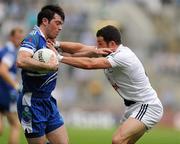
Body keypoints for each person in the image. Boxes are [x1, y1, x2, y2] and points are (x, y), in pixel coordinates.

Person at [16, 5, 112, 144]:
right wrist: (48, 66)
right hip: (31, 103)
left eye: (62, 24)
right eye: (57, 23)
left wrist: (95, 51)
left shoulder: (49, 42)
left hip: (48, 101)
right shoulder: (33, 38)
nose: (60, 27)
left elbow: (75, 50)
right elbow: (21, 60)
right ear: (45, 21)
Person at [56, 25, 164, 144]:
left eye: (100, 43)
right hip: (132, 107)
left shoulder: (122, 55)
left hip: (147, 105)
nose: (97, 47)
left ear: (112, 44)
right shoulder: (108, 52)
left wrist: (59, 58)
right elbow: (80, 49)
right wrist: (56, 44)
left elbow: (89, 64)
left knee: (117, 140)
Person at [0, 27, 24, 144]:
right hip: (5, 92)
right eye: (17, 38)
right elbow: (3, 70)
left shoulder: (3, 50)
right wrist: (15, 85)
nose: (19, 41)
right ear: (11, 37)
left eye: (21, 38)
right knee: (15, 125)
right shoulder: (10, 52)